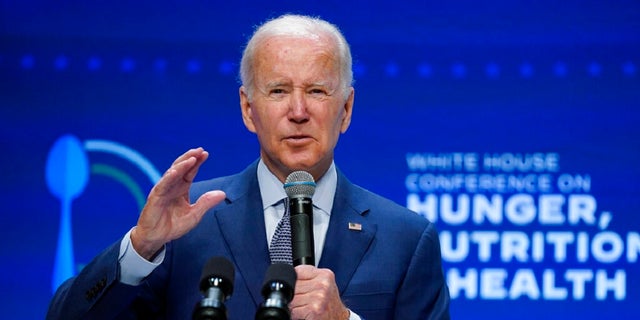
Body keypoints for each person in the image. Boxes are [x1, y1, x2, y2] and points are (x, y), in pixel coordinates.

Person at [46, 14, 450, 320]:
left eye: (316, 91)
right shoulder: (187, 222)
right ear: (247, 109)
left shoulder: (407, 240)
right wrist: (141, 246)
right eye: (278, 91)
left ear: (345, 110)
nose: (298, 111)